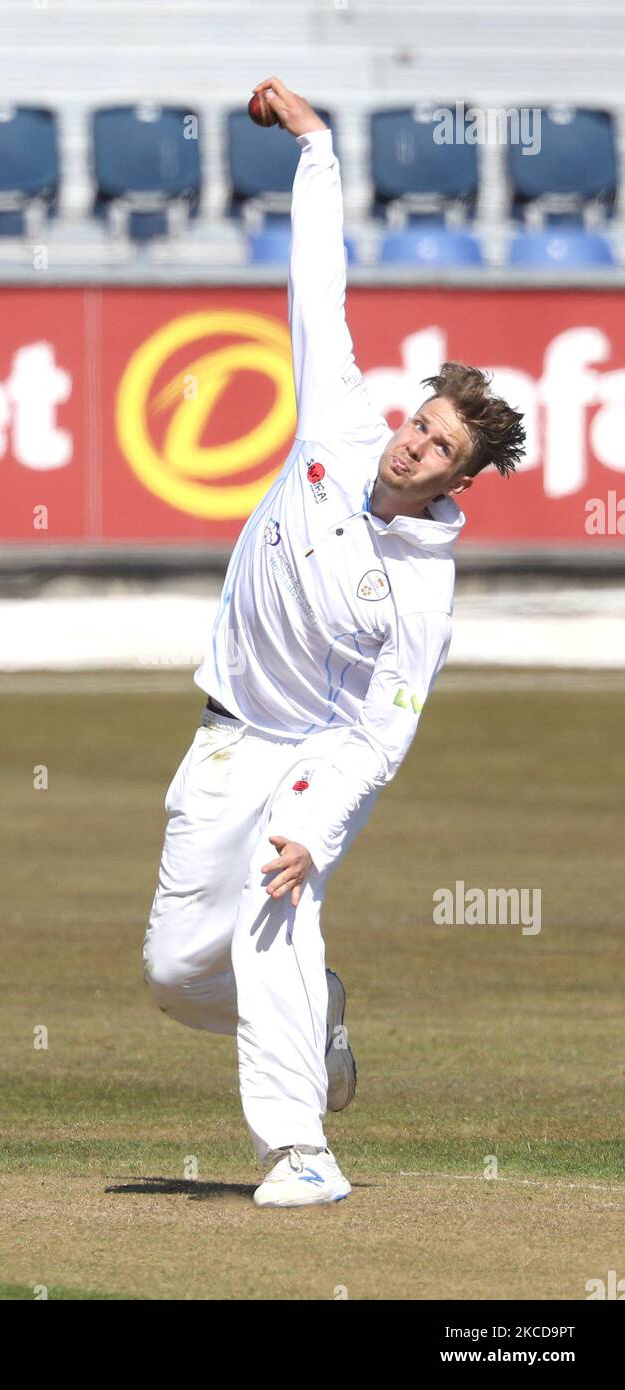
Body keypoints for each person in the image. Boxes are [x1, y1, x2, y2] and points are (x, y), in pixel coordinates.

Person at [143, 76, 526, 1209]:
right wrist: (313, 144)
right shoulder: (334, 417)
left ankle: (300, 1152)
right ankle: (319, 1012)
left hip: (306, 748)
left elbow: (376, 732)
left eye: (438, 447)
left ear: (459, 480)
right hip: (226, 729)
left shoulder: (422, 592)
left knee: (273, 908)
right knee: (171, 973)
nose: (412, 447)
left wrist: (311, 827)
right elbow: (320, 278)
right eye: (420, 423)